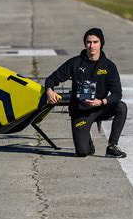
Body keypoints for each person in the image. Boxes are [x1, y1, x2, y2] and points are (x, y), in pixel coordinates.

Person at [45, 28, 127, 158]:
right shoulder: (75, 63)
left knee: (121, 106)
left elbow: (117, 93)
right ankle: (87, 137)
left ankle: (112, 146)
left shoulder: (109, 66)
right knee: (83, 152)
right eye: (89, 42)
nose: (92, 46)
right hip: (81, 112)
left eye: (95, 42)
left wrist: (101, 102)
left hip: (100, 107)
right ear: (85, 44)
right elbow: (51, 79)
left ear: (101, 43)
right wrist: (49, 90)